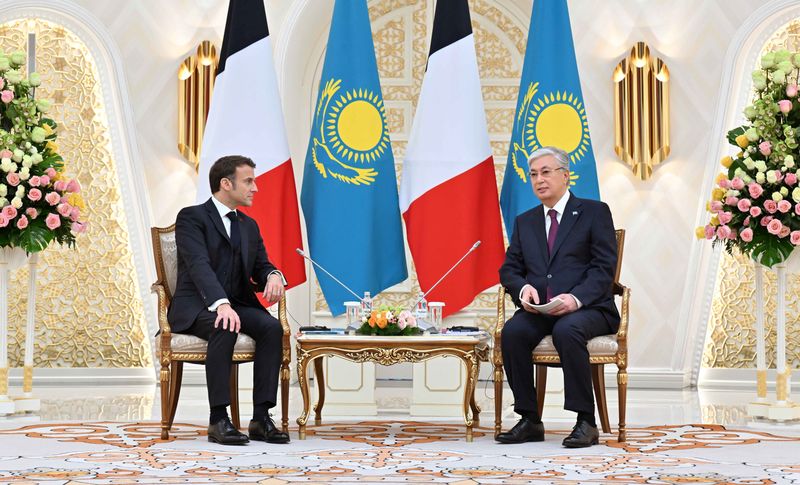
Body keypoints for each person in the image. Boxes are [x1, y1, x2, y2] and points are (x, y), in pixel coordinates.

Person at [496, 146, 619, 448]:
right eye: (534, 174)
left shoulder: (594, 212)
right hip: (541, 310)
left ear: (565, 176)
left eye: (546, 172)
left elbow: (604, 269)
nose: (539, 180)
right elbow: (509, 268)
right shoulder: (526, 222)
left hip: (588, 308)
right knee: (513, 331)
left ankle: (585, 421)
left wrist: (575, 299)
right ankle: (529, 419)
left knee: (568, 329)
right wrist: (522, 287)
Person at [168, 155, 290, 445]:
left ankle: (261, 418)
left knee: (271, 328)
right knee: (225, 325)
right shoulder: (191, 217)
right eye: (249, 181)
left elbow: (261, 265)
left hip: (238, 303)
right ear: (226, 183)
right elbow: (198, 265)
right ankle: (218, 419)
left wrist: (273, 275)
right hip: (197, 306)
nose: (255, 188)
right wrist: (220, 303)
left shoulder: (248, 226)